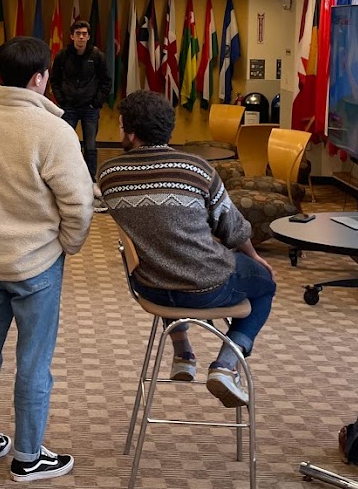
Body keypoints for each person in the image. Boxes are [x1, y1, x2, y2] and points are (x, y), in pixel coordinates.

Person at [0, 36, 93, 482]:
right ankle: (29, 456)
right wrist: (67, 244)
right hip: (37, 263)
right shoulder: (53, 131)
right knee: (33, 359)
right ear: (39, 78)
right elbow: (80, 204)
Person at [97, 90, 276, 408]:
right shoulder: (196, 169)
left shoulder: (110, 175)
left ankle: (183, 353)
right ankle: (225, 364)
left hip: (150, 287)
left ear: (133, 132)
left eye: (122, 125)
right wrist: (255, 258)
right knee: (264, 283)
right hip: (205, 287)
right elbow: (232, 228)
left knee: (162, 253)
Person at [49, 20, 111, 175]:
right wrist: (62, 100)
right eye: (78, 34)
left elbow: (106, 81)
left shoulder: (97, 56)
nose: (81, 37)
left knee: (90, 146)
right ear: (72, 36)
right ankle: (65, 175)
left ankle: (90, 179)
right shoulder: (62, 55)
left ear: (89, 36)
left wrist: (96, 102)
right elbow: (54, 80)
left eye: (84, 34)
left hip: (90, 109)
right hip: (68, 107)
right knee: (65, 144)